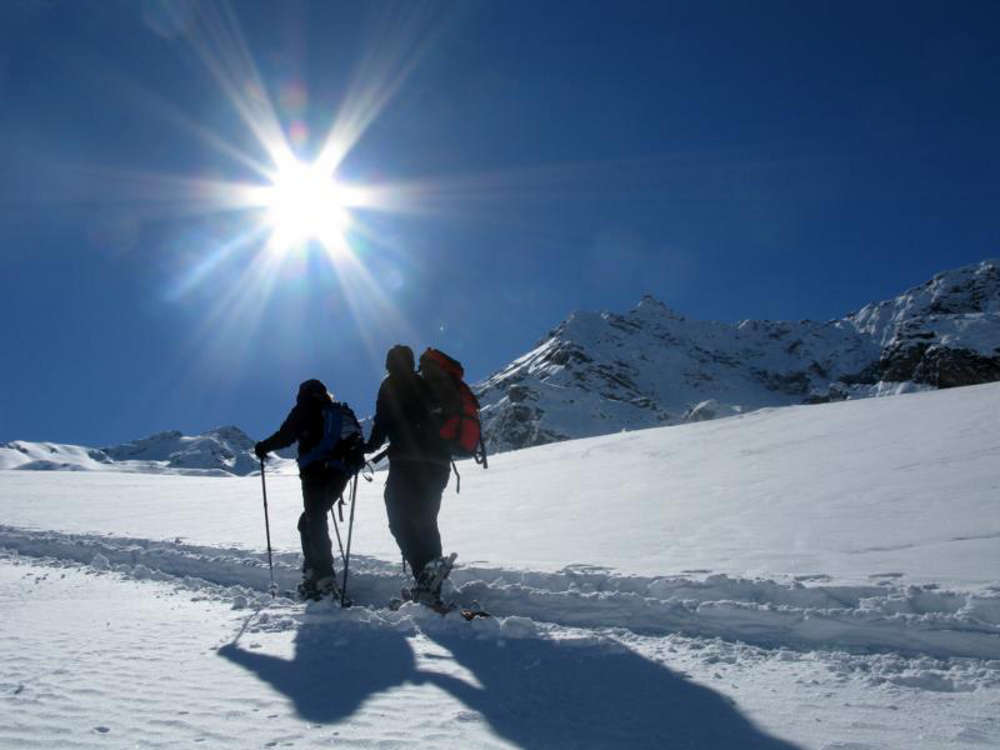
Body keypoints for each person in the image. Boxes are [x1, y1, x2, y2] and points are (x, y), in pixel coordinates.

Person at [254, 379, 363, 601]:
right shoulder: (335, 411)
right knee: (310, 521)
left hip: (316, 471)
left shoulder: (306, 407)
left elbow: (286, 435)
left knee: (313, 520)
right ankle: (316, 572)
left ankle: (323, 576)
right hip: (340, 473)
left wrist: (263, 447)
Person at [365, 345, 453, 605]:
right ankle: (430, 579)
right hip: (439, 465)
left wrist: (364, 448)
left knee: (399, 520)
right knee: (426, 520)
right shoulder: (427, 384)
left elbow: (380, 428)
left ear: (389, 363)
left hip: (408, 464)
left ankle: (425, 576)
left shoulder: (390, 385)